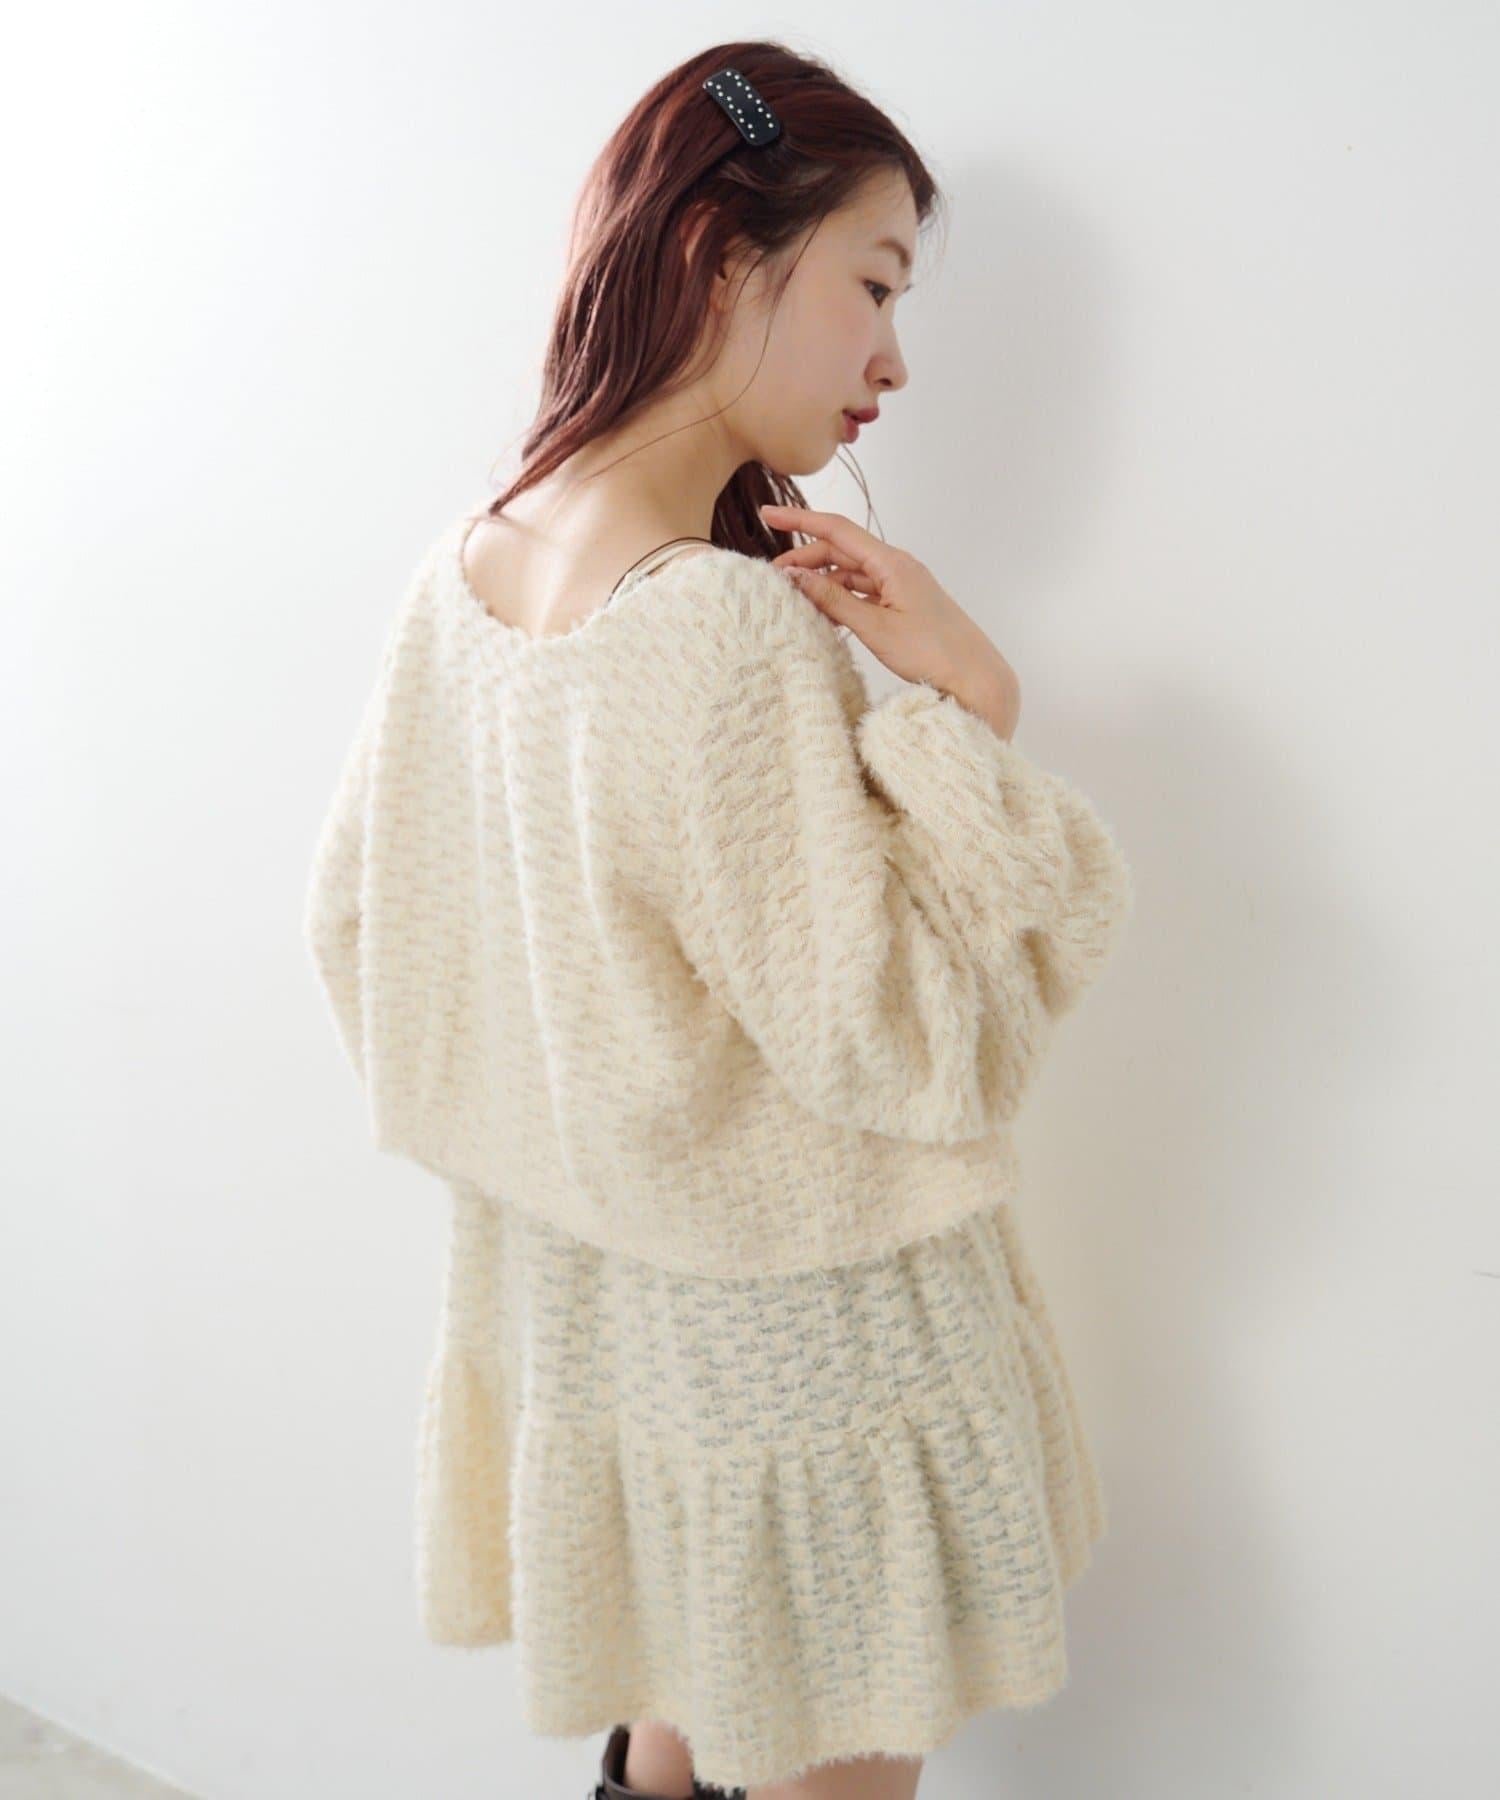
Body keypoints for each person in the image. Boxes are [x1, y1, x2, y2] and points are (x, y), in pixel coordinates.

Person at [303, 40, 1135, 1800]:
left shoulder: (466, 572)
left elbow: (360, 931)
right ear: (719, 254)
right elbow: (913, 1047)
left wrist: (591, 1137)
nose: (896, 359)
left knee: (671, 1737)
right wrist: (969, 705)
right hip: (804, 1352)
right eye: (874, 285)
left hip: (612, 1322)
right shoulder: (712, 626)